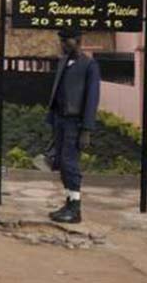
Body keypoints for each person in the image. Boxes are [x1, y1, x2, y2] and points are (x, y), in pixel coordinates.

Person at [45, 27, 100, 224]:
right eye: (61, 41)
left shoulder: (89, 65)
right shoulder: (64, 62)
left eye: (65, 41)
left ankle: (75, 209)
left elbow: (92, 99)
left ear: (77, 40)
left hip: (74, 122)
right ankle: (68, 202)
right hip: (60, 120)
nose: (62, 44)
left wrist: (86, 129)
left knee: (70, 163)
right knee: (60, 162)